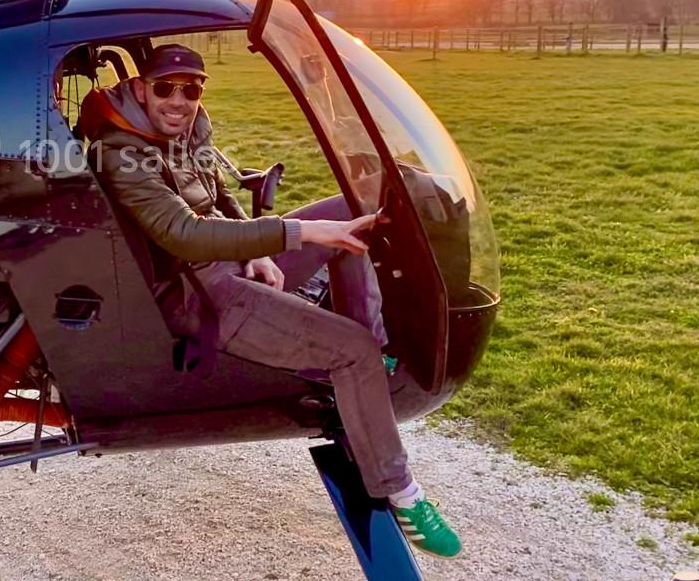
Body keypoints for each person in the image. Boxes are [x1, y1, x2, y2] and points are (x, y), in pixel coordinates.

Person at [81, 42, 461, 559]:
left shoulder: (185, 129)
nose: (180, 99)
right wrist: (294, 233)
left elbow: (216, 194)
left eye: (191, 88)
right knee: (345, 330)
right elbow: (181, 233)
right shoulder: (120, 150)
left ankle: (359, 370)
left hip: (228, 260)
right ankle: (402, 493)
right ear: (142, 89)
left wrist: (255, 246)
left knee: (351, 221)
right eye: (167, 88)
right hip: (196, 293)